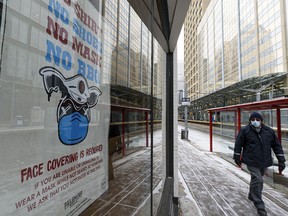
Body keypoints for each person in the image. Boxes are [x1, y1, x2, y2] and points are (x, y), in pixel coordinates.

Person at [233, 112, 286, 216]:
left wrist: (281, 160)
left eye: (257, 119)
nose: (255, 121)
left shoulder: (269, 131)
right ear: (250, 120)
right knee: (258, 179)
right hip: (251, 160)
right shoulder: (245, 130)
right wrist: (236, 156)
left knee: (256, 179)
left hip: (264, 161)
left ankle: (252, 195)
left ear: (261, 120)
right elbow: (238, 144)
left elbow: (276, 146)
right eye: (253, 119)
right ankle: (259, 203)